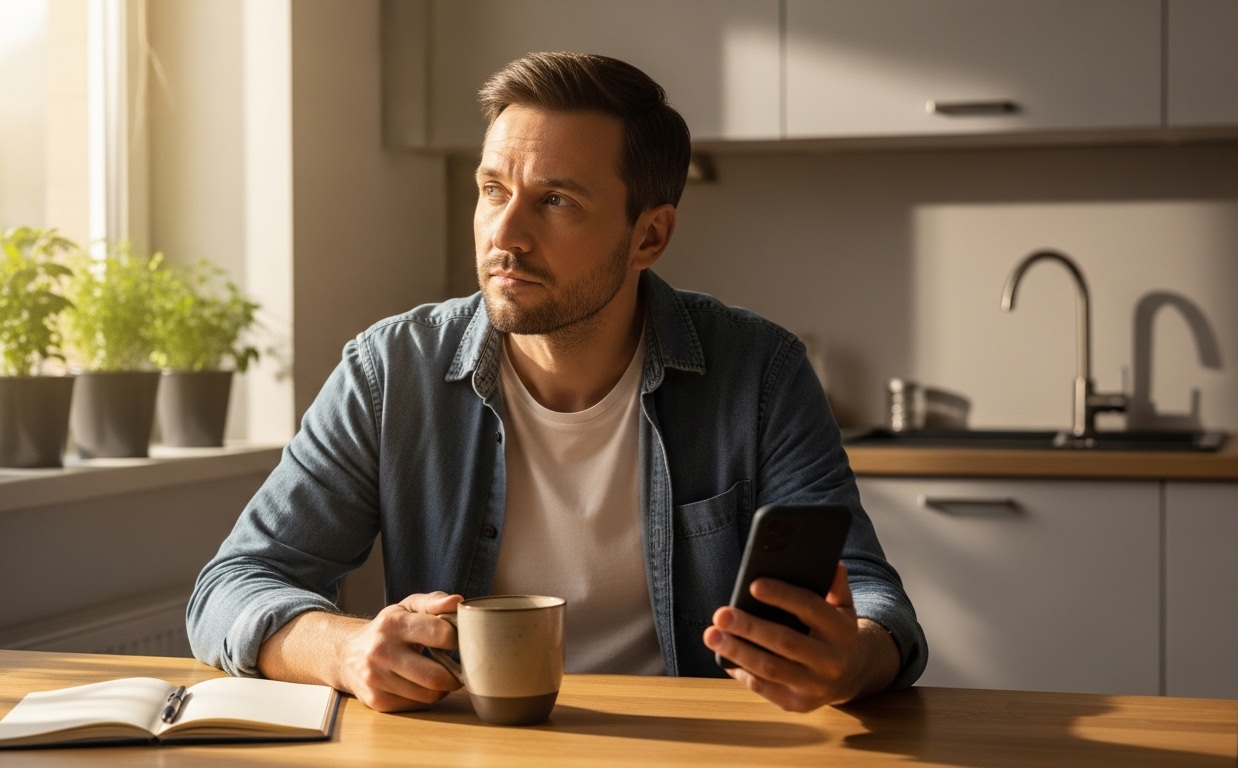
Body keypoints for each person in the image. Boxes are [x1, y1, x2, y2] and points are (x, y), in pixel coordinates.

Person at [187, 52, 926, 714]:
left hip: (696, 745)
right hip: (475, 746)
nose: (504, 233)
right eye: (492, 189)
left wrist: (849, 659)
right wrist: (345, 650)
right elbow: (231, 587)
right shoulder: (391, 372)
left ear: (650, 236)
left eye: (556, 201)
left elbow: (872, 598)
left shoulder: (759, 371)